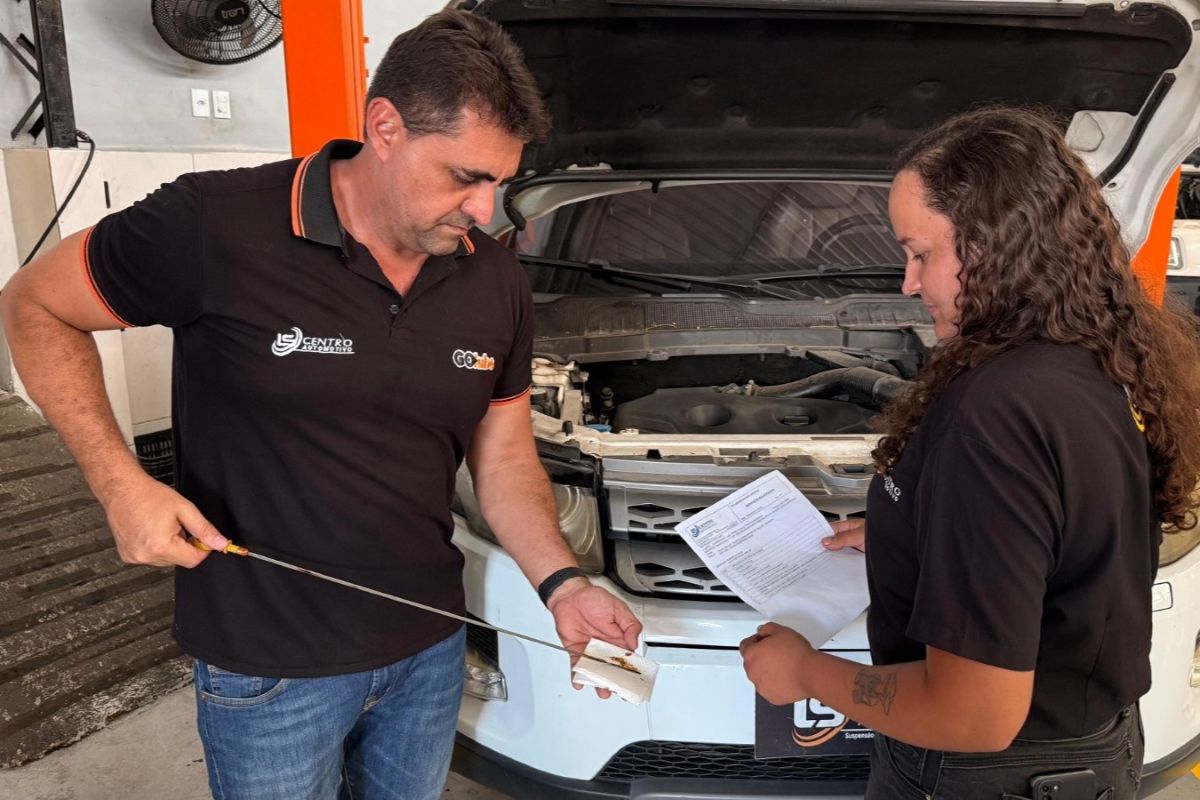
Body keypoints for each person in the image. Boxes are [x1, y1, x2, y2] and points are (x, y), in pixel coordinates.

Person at [0, 10, 641, 800]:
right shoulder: (215, 225)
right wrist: (119, 483)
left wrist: (562, 585)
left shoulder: (494, 281)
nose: (484, 211)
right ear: (385, 127)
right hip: (268, 670)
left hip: (429, 652)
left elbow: (504, 457)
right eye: (465, 177)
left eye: (500, 183)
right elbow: (35, 305)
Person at [740, 106, 1200, 799]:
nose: (908, 282)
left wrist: (805, 675)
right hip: (1085, 746)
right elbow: (1060, 532)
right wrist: (922, 530)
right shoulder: (1094, 356)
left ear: (997, 246)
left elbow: (973, 712)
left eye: (922, 253)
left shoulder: (995, 414)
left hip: (987, 774)